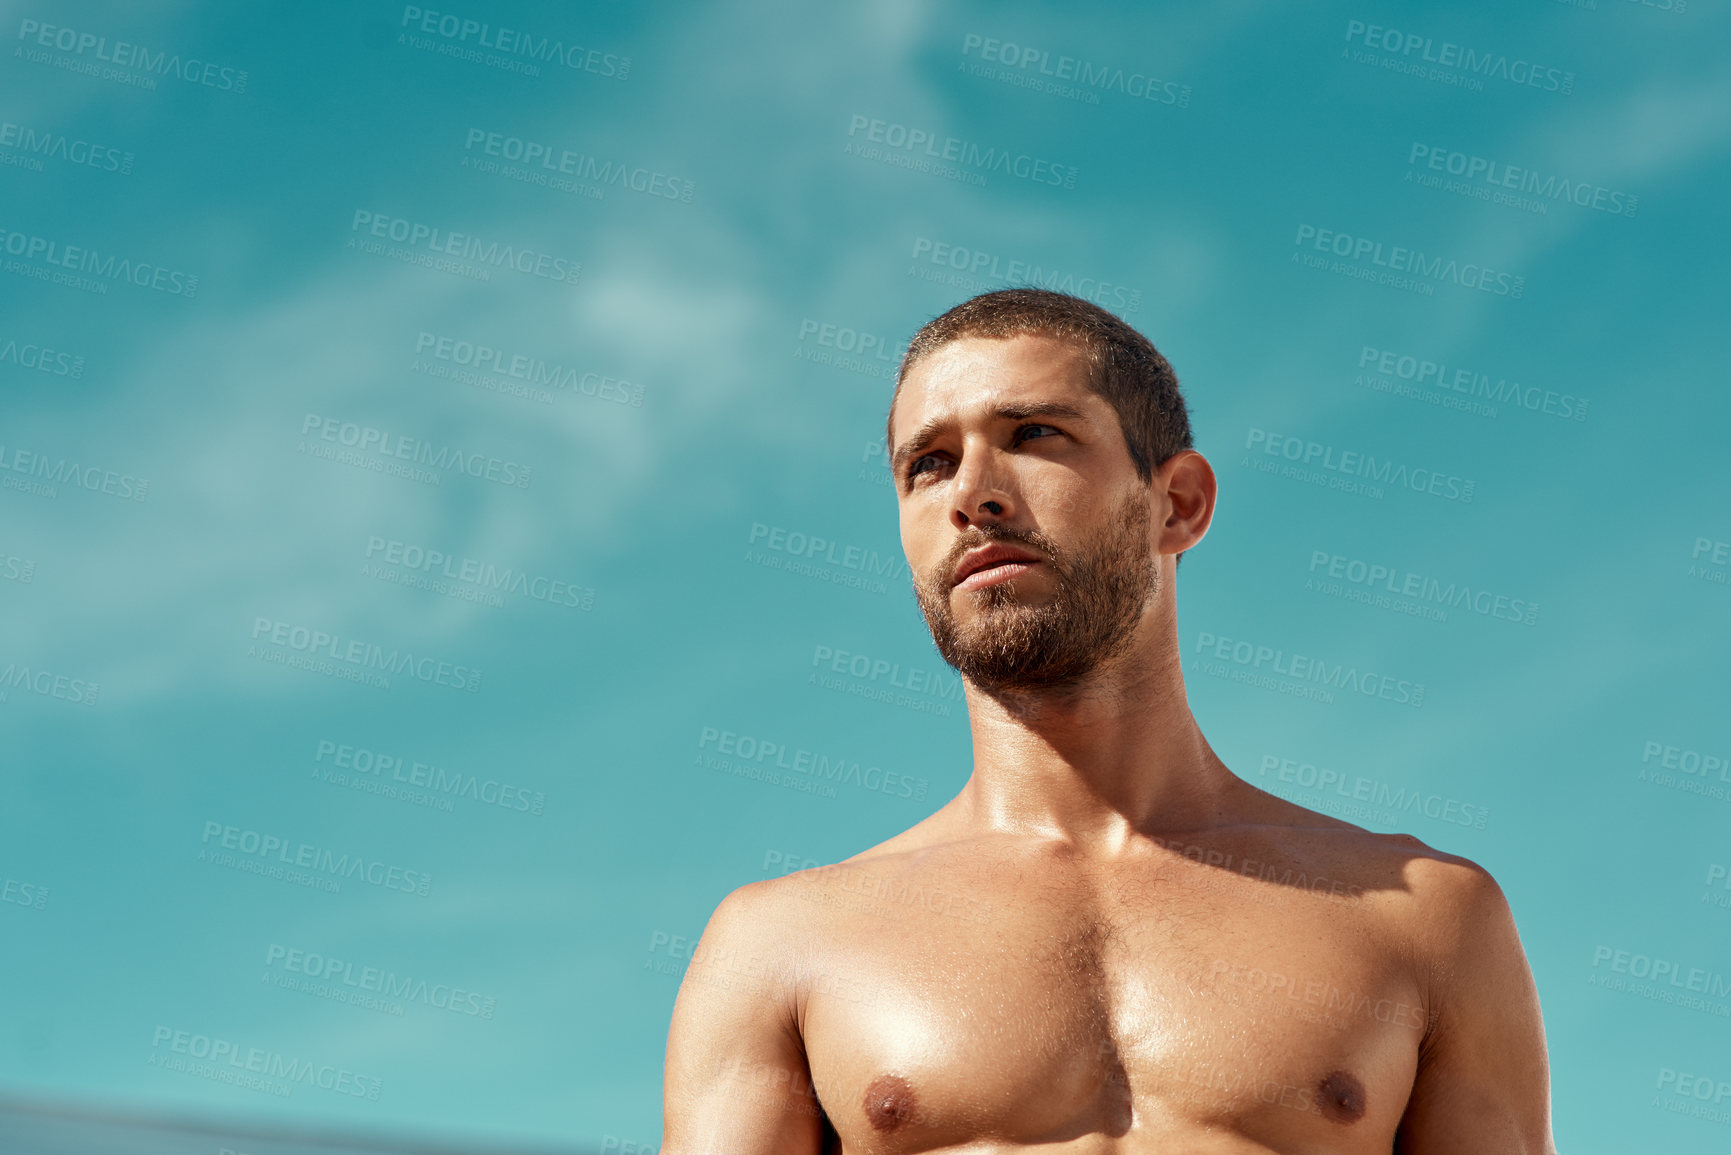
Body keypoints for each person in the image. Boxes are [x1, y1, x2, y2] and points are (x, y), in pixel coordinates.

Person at [660, 289, 1557, 1153]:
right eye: (926, 463)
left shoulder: (1425, 918)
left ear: (1178, 504)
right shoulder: (781, 944)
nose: (973, 492)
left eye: (1033, 434)